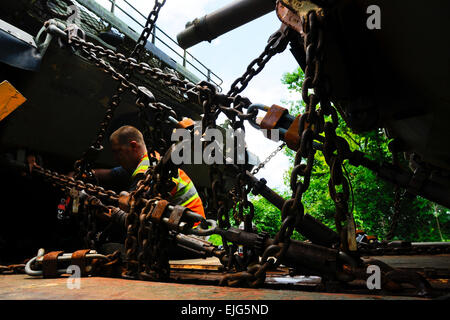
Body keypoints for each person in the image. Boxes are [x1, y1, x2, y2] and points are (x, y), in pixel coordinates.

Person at [94, 125, 205, 219]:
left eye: (118, 151)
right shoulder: (148, 160)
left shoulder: (147, 169)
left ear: (133, 146)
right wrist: (89, 172)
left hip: (191, 230)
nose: (116, 158)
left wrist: (111, 211)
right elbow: (112, 174)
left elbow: (133, 206)